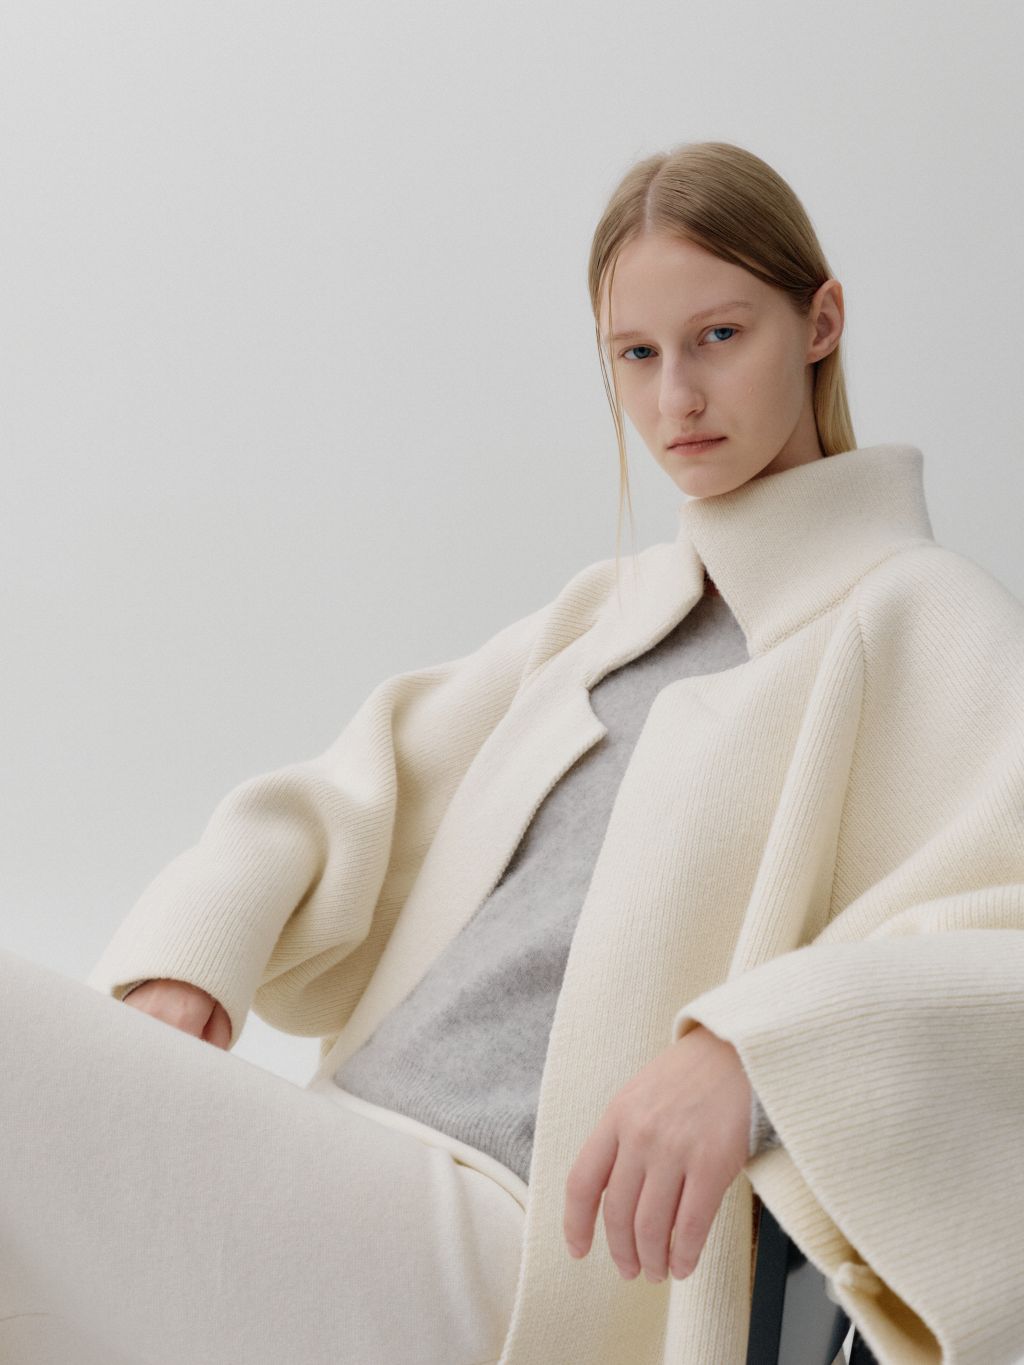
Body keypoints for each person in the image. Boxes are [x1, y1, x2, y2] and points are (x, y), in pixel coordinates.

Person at [4, 140, 1022, 1365]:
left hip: (518, 1246)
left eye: (718, 337)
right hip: (345, 1160)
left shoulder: (925, 620)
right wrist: (194, 959)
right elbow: (359, 785)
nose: (675, 400)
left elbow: (1000, 938)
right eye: (635, 355)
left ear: (819, 323)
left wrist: (751, 1052)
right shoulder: (611, 612)